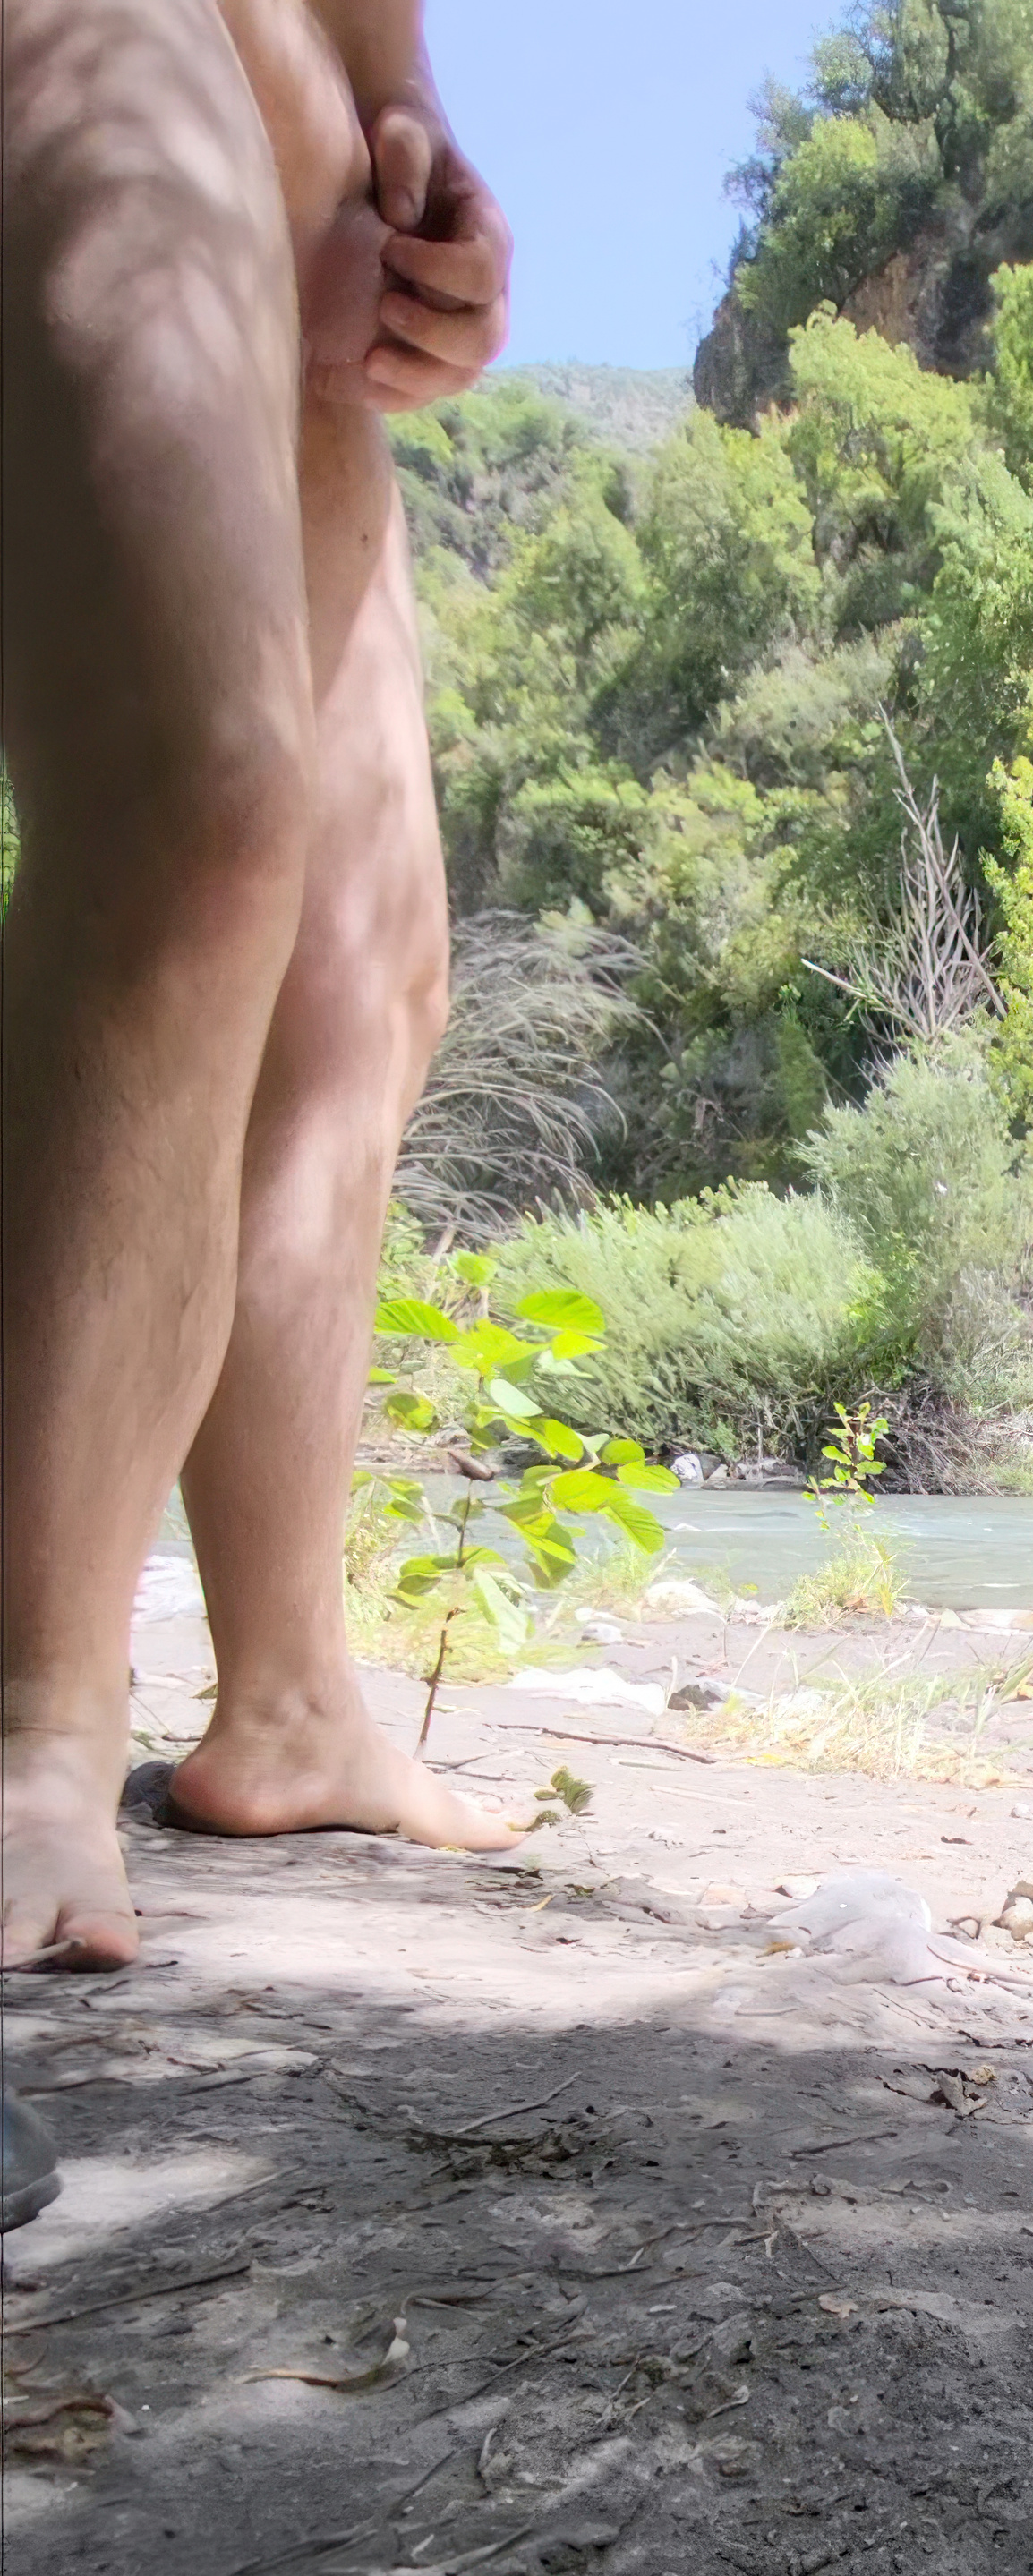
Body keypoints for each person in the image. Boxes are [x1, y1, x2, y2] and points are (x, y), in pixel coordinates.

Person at [2, 0, 526, 1977]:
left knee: (365, 976)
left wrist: (404, 117)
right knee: (190, 804)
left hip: (302, 119)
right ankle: (28, 1727)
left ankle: (293, 1699)